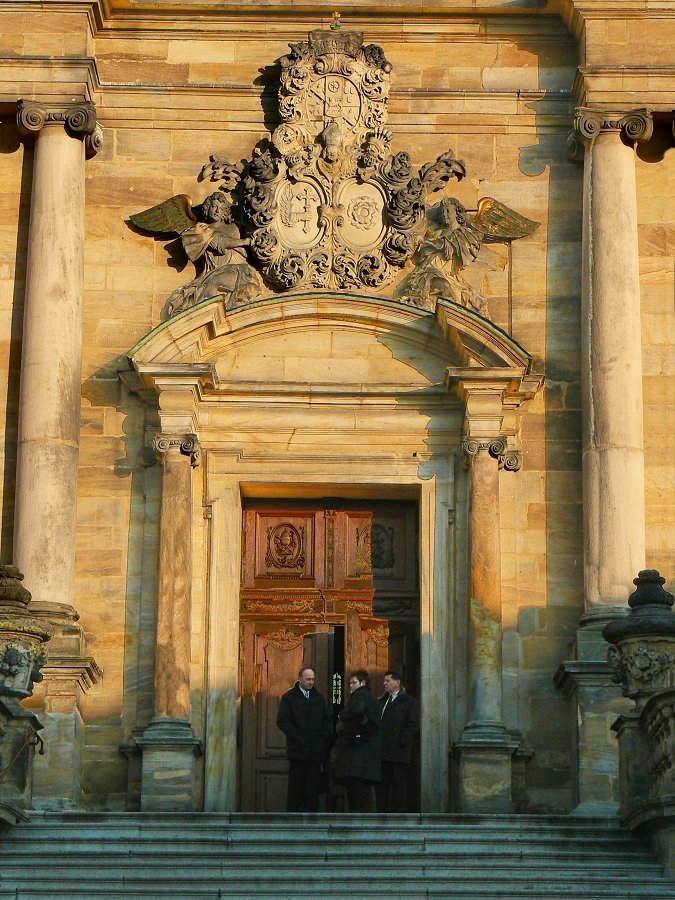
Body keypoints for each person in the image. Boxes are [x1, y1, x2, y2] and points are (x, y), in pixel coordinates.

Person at [276, 666, 331, 813]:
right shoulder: (289, 698)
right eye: (308, 679)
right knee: (296, 787)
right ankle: (294, 820)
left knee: (312, 789)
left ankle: (312, 820)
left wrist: (322, 737)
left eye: (312, 679)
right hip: (298, 752)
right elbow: (283, 721)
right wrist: (298, 737)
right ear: (300, 679)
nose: (311, 682)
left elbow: (326, 721)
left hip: (315, 753)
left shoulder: (319, 698)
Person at [333, 669, 381, 813]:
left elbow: (357, 710)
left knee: (357, 797)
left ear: (363, 683)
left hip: (356, 759)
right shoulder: (371, 697)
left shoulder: (360, 695)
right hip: (364, 760)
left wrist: (341, 716)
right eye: (350, 684)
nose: (351, 686)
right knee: (362, 796)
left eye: (354, 683)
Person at [375, 669, 420, 813]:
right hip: (382, 753)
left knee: (399, 787)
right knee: (381, 788)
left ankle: (398, 817)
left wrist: (402, 741)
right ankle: (381, 816)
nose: (384, 683)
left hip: (399, 754)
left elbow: (412, 724)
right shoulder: (381, 701)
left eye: (388, 681)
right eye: (384, 681)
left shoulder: (409, 702)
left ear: (397, 682)